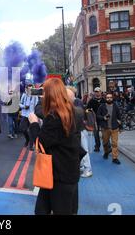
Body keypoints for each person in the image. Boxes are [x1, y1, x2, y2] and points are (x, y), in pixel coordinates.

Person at [28, 78, 82, 215]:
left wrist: (34, 123)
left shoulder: (54, 118)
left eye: (44, 92)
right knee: (41, 210)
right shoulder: (75, 112)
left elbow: (40, 144)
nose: (42, 96)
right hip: (66, 172)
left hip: (59, 175)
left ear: (50, 95)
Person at [67, 87, 93, 178]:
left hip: (80, 129)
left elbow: (78, 115)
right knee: (80, 149)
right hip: (78, 129)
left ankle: (88, 169)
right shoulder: (76, 101)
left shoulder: (76, 101)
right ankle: (83, 166)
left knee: (84, 149)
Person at [97, 93, 122, 165]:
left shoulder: (115, 106)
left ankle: (115, 158)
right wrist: (103, 118)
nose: (109, 99)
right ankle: (106, 152)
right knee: (105, 142)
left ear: (112, 98)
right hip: (105, 128)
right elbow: (98, 115)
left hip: (114, 128)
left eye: (110, 97)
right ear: (105, 98)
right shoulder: (102, 106)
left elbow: (119, 117)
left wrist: (120, 127)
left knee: (114, 143)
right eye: (107, 97)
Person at [19, 84, 39, 151]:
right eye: (29, 89)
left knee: (31, 131)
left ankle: (31, 145)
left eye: (31, 89)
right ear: (26, 89)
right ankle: (27, 140)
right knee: (23, 129)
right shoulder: (24, 95)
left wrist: (36, 115)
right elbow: (19, 103)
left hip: (32, 115)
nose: (30, 90)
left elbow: (37, 106)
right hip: (25, 114)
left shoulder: (35, 97)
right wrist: (24, 106)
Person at [86, 87, 105, 152]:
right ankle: (97, 146)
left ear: (100, 92)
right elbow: (87, 110)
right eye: (96, 91)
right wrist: (89, 114)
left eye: (98, 91)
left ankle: (106, 147)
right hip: (95, 120)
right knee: (96, 134)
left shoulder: (104, 100)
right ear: (94, 92)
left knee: (104, 134)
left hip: (103, 119)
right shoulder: (92, 101)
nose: (97, 93)